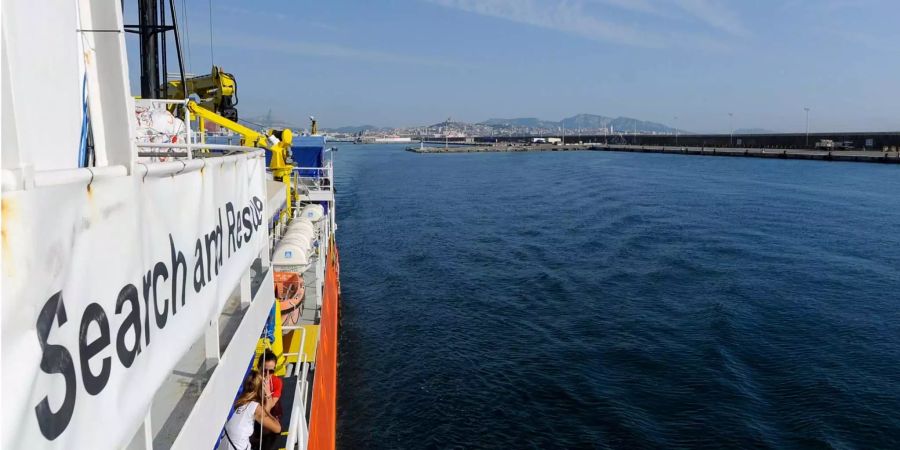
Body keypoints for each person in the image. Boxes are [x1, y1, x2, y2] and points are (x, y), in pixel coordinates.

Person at [220, 371, 281, 450]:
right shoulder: (254, 407)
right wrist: (268, 394)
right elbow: (277, 428)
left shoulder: (238, 403)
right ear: (261, 388)